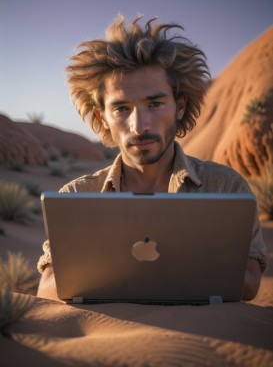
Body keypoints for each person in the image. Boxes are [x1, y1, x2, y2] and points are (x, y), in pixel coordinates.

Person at [37, 15, 267, 301]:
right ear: (102, 117)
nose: (139, 126)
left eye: (155, 104)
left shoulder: (225, 187)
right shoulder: (76, 196)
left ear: (179, 106)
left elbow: (249, 283)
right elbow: (46, 289)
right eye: (121, 108)